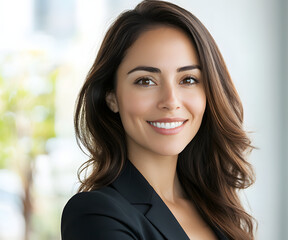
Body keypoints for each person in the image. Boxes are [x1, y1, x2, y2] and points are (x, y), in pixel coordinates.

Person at [61, 0, 255, 239]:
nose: (171, 101)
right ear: (111, 97)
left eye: (188, 79)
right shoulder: (95, 214)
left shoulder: (217, 207)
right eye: (146, 81)